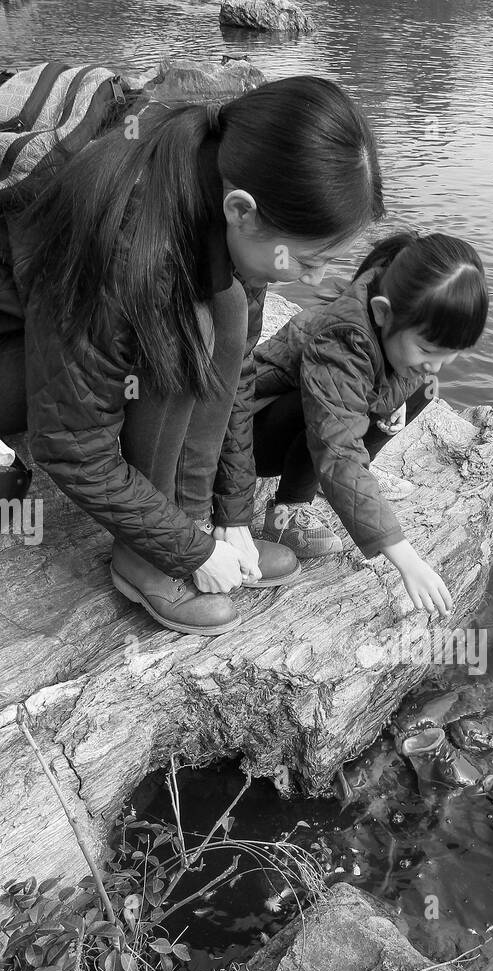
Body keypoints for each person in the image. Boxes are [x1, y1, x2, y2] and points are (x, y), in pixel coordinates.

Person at [0, 76, 384, 634]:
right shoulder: (127, 241)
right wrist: (187, 552)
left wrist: (230, 518)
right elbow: (72, 447)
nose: (317, 280)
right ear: (242, 210)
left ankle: (188, 517)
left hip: (45, 316)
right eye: (306, 261)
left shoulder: (214, 173)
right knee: (180, 326)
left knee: (220, 315)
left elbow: (239, 367)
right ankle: (143, 557)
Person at [252, 231, 489, 618]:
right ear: (382, 312)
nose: (437, 363)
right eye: (429, 349)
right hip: (254, 430)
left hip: (320, 417)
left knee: (424, 386)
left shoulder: (396, 315)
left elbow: (406, 372)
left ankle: (354, 486)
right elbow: (337, 447)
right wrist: (405, 557)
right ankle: (287, 514)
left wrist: (394, 398)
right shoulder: (342, 339)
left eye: (452, 354)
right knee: (327, 420)